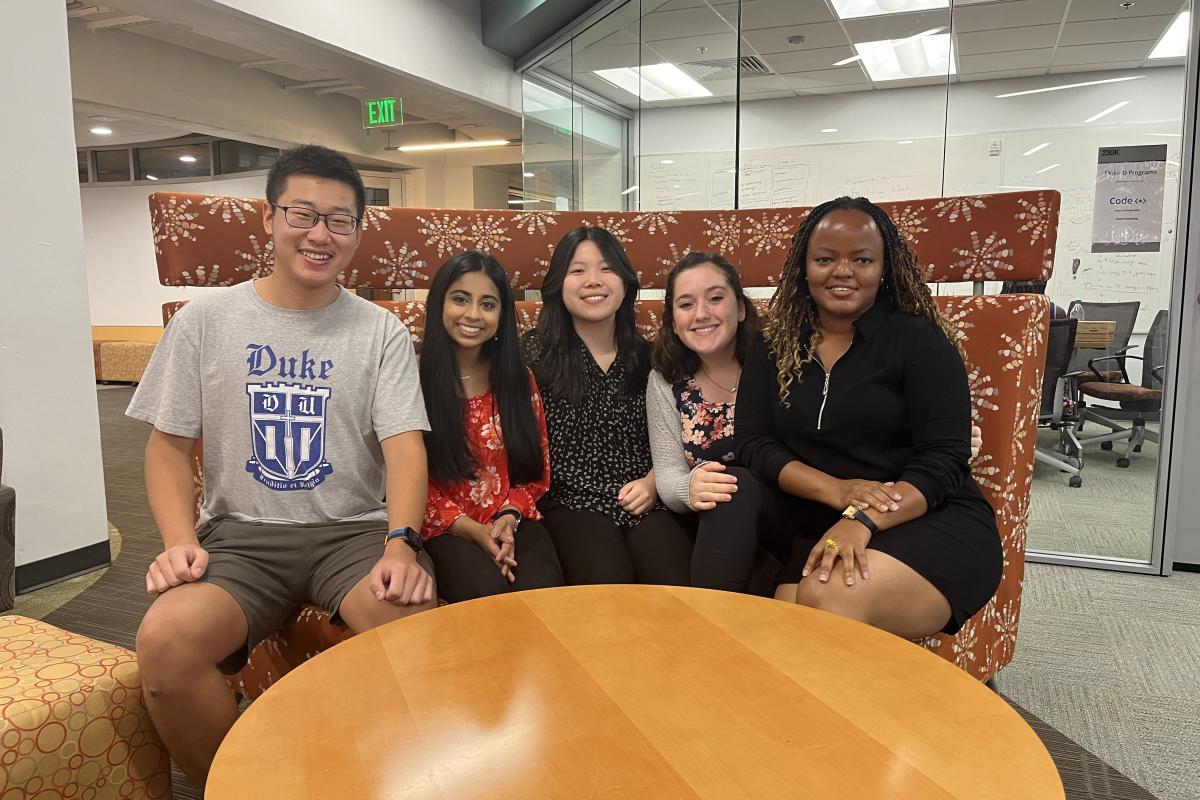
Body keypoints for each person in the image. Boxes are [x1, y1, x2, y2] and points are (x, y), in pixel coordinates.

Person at [128, 145, 435, 786]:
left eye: (339, 220)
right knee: (166, 643)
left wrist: (402, 544)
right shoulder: (204, 323)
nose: (319, 234)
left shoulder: (381, 331)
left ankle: (364, 778)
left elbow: (405, 446)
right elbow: (167, 446)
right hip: (241, 537)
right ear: (269, 219)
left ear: (357, 231)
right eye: (302, 213)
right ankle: (242, 781)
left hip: (353, 533)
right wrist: (179, 542)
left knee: (416, 633)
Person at [736, 196, 1003, 639]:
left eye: (862, 259)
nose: (842, 272)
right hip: (818, 518)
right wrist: (838, 492)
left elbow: (944, 461)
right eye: (825, 259)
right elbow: (752, 443)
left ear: (884, 268)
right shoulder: (774, 343)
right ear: (805, 267)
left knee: (826, 597)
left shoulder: (920, 342)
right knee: (787, 623)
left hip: (927, 520)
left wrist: (861, 519)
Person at [523, 226, 692, 585]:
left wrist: (654, 481)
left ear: (626, 283)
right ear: (558, 284)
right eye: (578, 270)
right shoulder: (533, 354)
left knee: (674, 579)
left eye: (606, 269)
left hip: (647, 499)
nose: (593, 281)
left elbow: (680, 435)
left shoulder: (652, 357)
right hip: (569, 505)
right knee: (606, 580)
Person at [418, 251, 564, 600]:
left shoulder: (517, 378)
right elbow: (406, 477)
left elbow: (536, 466)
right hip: (443, 529)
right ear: (439, 304)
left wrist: (509, 517)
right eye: (460, 299)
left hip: (513, 520)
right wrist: (471, 530)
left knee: (544, 593)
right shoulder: (413, 379)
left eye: (488, 304)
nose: (473, 315)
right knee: (486, 593)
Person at [646, 251, 778, 593]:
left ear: (741, 307)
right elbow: (668, 473)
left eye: (716, 298)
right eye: (686, 304)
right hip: (714, 525)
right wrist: (687, 488)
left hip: (784, 516)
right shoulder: (665, 379)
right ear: (673, 321)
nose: (702, 314)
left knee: (736, 485)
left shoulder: (778, 361)